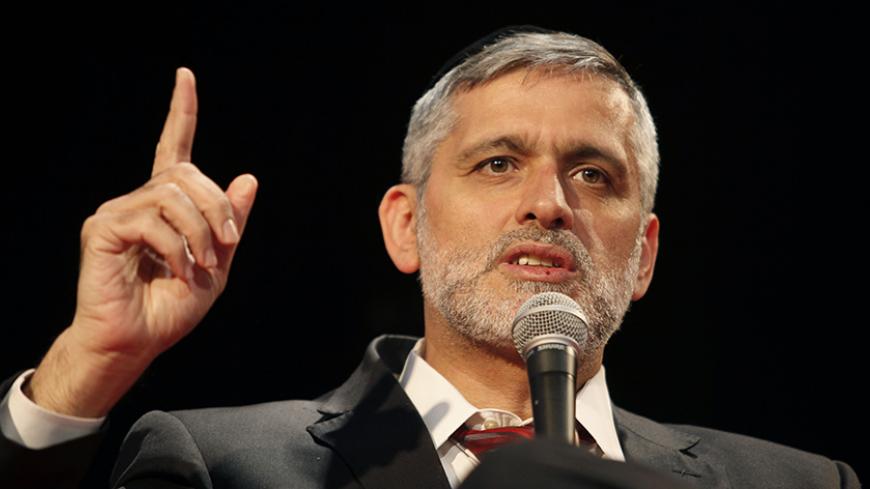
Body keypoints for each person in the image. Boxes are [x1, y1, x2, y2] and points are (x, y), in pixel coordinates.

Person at [0, 25, 860, 489]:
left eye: (593, 173)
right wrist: (84, 371)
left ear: (643, 255)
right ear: (404, 225)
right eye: (497, 162)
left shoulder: (798, 482)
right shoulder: (224, 465)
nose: (548, 202)